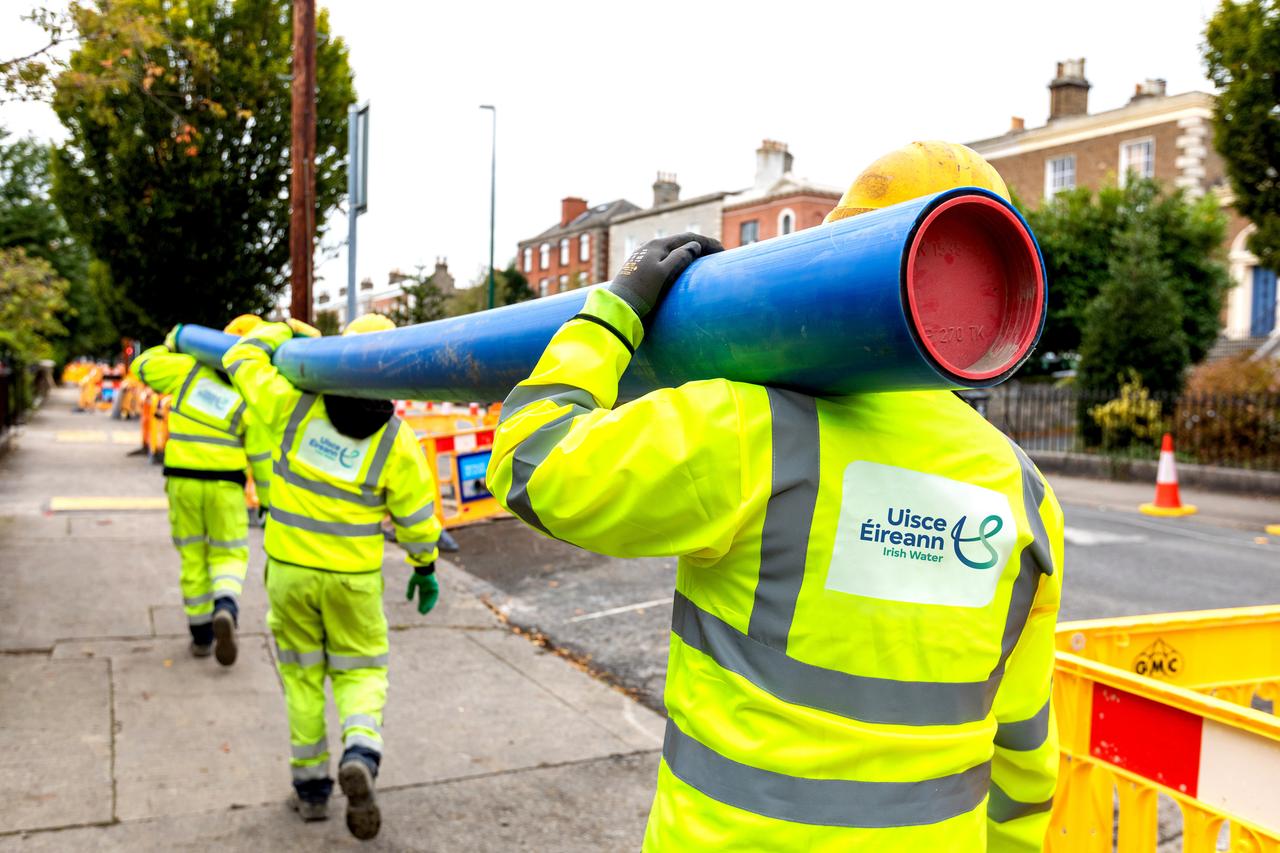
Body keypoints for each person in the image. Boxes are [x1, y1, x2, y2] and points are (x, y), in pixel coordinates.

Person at [489, 141, 1064, 852]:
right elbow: (1024, 747)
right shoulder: (1025, 496)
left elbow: (531, 460)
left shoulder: (747, 428)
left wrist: (613, 313)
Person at [222, 312, 442, 841]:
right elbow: (416, 517)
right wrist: (424, 564)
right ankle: (362, 750)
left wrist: (289, 333)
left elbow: (239, 356)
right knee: (361, 672)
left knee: (301, 678)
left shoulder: (293, 407)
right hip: (354, 581)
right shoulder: (398, 442)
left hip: (290, 573)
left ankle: (312, 791)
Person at [132, 315, 268, 666]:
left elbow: (142, 366)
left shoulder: (187, 371)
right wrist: (267, 502)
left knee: (193, 556)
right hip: (225, 485)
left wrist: (175, 342)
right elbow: (262, 457)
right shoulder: (253, 391)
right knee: (230, 553)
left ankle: (201, 636)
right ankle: (226, 605)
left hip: (182, 481)